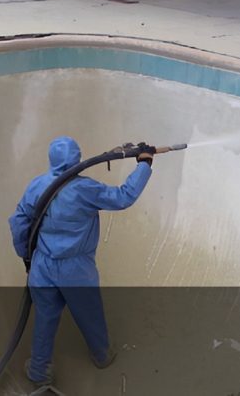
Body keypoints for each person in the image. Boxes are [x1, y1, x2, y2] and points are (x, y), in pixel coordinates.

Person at [8, 136, 154, 387]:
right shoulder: (85, 189)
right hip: (75, 269)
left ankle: (39, 371)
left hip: (42, 266)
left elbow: (18, 222)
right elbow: (123, 197)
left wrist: (26, 255)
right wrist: (144, 164)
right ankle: (102, 355)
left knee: (45, 318)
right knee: (89, 314)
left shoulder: (37, 185)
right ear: (77, 159)